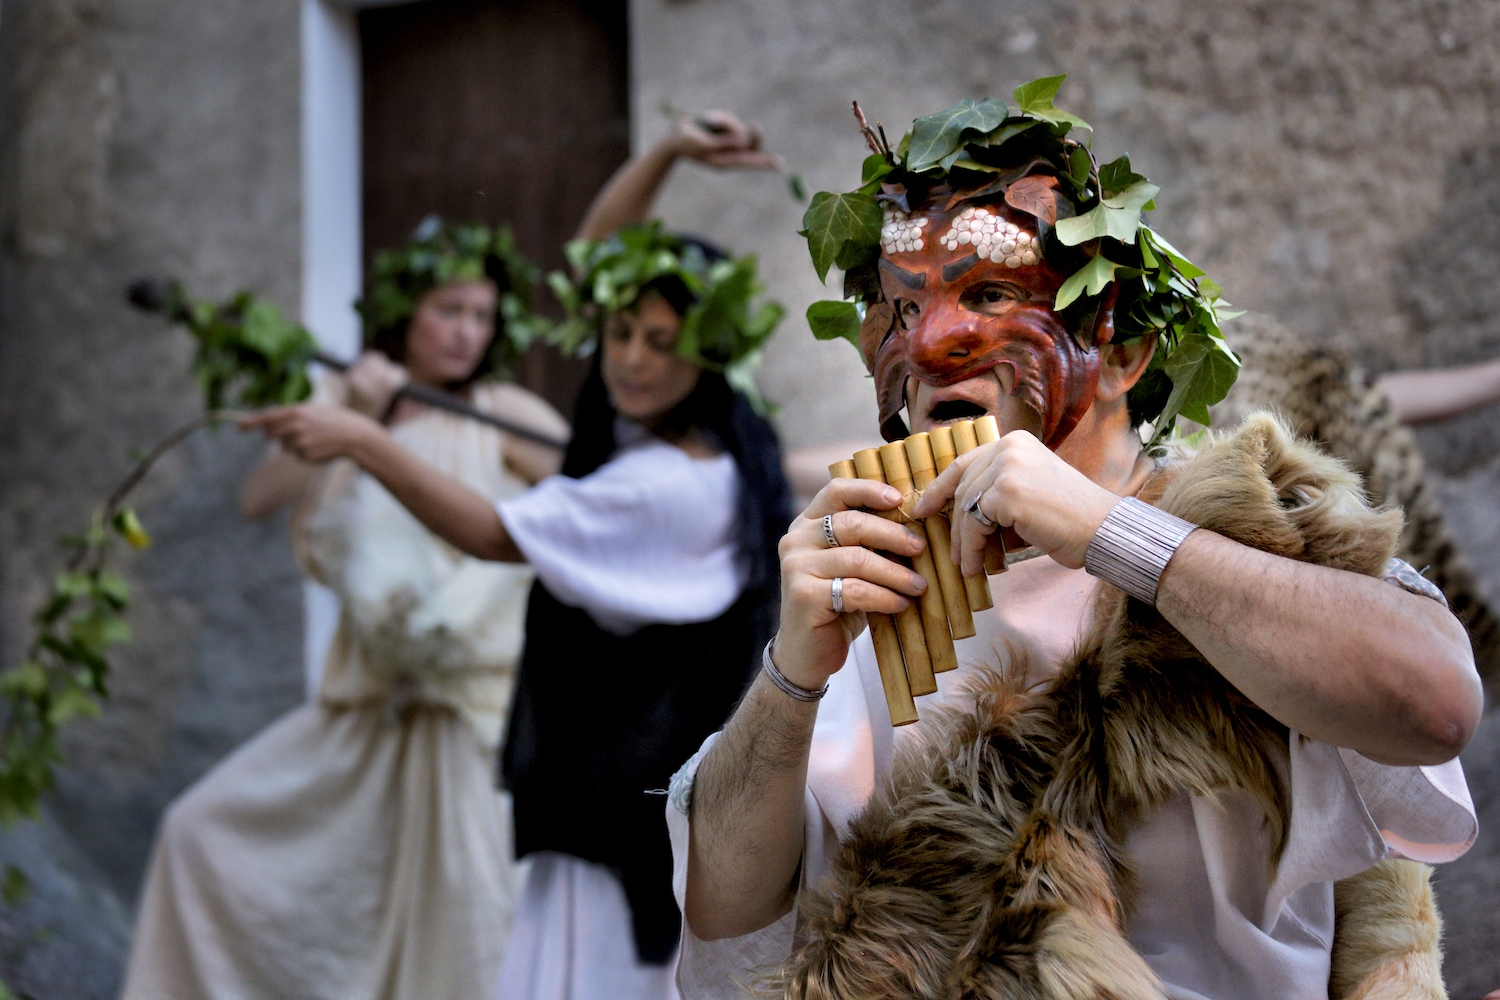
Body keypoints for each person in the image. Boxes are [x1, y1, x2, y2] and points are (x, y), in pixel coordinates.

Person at [671, 82, 1482, 998]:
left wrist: (1109, 532)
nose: (932, 344)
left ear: (1121, 351)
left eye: (987, 293)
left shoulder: (1247, 527)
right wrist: (792, 672)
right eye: (902, 310)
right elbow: (726, 919)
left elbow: (1437, 705)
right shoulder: (882, 577)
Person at [244, 111, 794, 1000]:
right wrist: (667, 152)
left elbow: (494, 532)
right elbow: (599, 258)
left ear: (708, 354)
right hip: (607, 811)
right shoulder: (710, 441)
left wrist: (359, 438)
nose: (631, 360)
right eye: (621, 334)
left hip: (617, 825)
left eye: (661, 343)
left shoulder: (661, 485)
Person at [120, 220, 566, 1000]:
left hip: (476, 726)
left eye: (482, 315)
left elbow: (589, 484)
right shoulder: (348, 402)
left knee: (472, 932)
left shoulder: (498, 409)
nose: (466, 332)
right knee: (200, 833)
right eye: (447, 309)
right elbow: (259, 497)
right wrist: (356, 420)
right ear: (404, 315)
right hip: (366, 723)